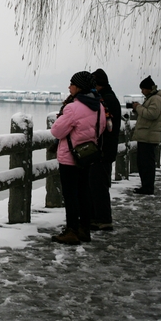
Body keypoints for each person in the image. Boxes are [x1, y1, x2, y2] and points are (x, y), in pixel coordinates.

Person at [50, 71, 106, 245]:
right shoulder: (99, 107)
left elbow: (57, 131)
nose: (69, 87)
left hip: (70, 157)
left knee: (70, 194)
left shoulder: (73, 108)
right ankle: (84, 229)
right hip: (87, 155)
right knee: (83, 192)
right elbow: (102, 127)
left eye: (72, 84)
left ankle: (71, 230)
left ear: (79, 87)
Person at [90, 68, 121, 231]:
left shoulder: (106, 100)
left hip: (103, 149)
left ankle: (103, 218)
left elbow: (104, 126)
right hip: (105, 149)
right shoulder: (108, 98)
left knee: (99, 185)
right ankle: (98, 216)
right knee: (98, 184)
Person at [132, 76, 161, 195]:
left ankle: (148, 187)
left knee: (147, 164)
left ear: (148, 88)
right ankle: (145, 186)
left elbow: (152, 114)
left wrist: (138, 107)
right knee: (143, 163)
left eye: (143, 89)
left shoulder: (155, 99)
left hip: (149, 136)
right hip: (146, 136)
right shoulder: (151, 98)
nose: (142, 91)